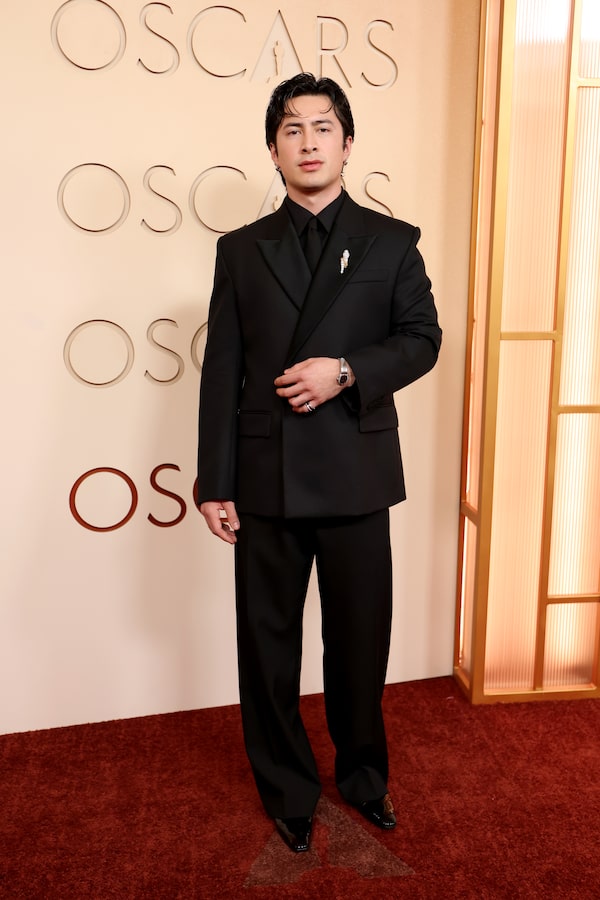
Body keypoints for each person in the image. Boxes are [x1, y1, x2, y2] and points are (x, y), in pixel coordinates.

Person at [197, 73, 442, 853]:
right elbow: (223, 372)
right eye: (292, 129)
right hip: (265, 477)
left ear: (347, 142)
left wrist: (346, 370)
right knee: (268, 646)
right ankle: (288, 789)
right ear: (273, 149)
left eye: (323, 126)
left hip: (355, 474)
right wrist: (214, 481)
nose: (309, 141)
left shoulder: (392, 241)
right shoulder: (241, 250)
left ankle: (365, 778)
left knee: (360, 642)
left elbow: (422, 340)